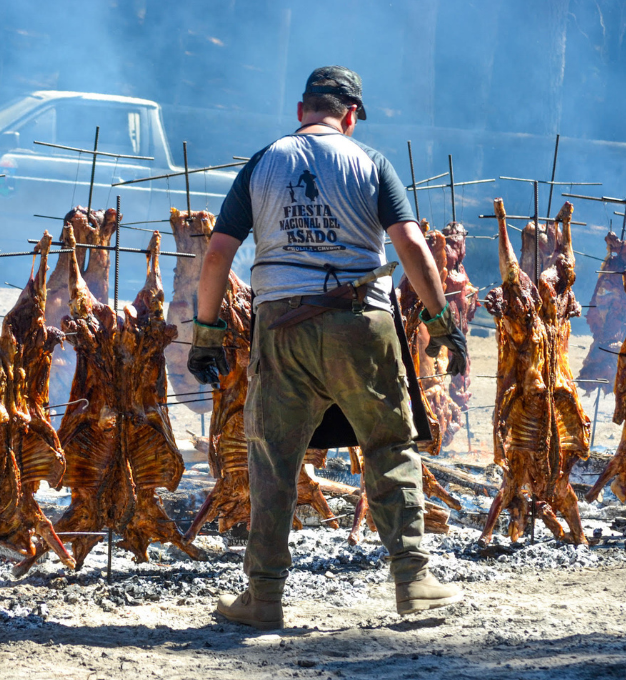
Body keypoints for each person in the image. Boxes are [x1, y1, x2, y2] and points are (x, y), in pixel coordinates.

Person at [188, 66, 468, 630]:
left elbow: (217, 253)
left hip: (282, 326)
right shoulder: (371, 163)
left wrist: (207, 332)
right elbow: (411, 243)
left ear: (300, 112)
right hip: (362, 324)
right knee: (388, 445)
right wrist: (441, 322)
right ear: (350, 115)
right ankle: (412, 581)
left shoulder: (264, 162)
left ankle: (263, 596)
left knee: (273, 458)